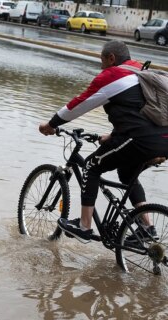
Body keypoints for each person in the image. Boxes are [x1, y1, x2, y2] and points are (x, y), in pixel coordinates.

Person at [39, 40, 168, 244]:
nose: (100, 66)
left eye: (102, 60)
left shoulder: (112, 75)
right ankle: (146, 227)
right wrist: (113, 135)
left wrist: (51, 124)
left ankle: (84, 227)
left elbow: (79, 104)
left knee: (91, 166)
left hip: (138, 139)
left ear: (111, 58)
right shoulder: (140, 71)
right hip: (163, 140)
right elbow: (136, 111)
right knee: (127, 173)